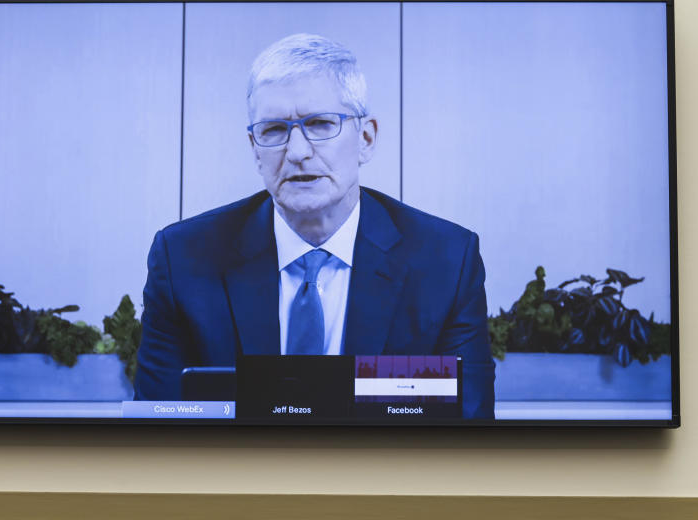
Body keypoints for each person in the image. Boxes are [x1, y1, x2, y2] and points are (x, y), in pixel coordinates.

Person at [134, 33, 495, 418]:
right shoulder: (184, 259)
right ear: (254, 148)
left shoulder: (446, 261)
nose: (298, 152)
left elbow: (467, 431)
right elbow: (158, 429)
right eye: (273, 130)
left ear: (367, 139)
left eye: (321, 124)